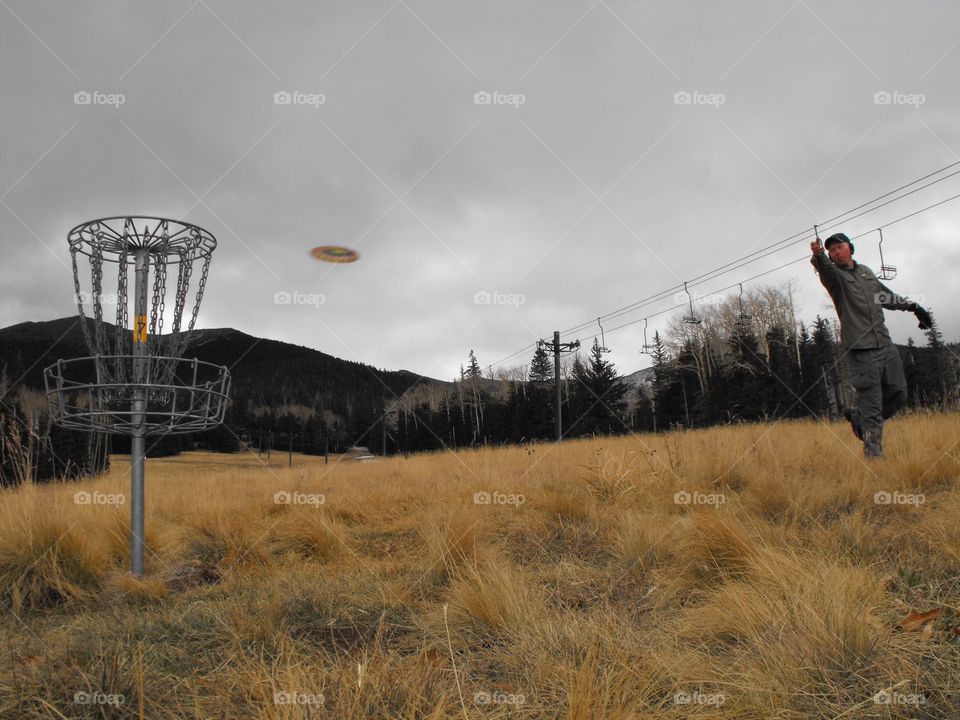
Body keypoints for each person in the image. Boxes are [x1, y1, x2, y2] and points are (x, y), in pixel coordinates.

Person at [810, 231, 932, 458]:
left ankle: (859, 418)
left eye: (840, 247)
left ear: (850, 248)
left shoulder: (866, 273)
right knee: (873, 406)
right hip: (861, 350)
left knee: (899, 393)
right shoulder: (835, 278)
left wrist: (914, 307)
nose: (836, 252)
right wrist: (818, 255)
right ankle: (875, 459)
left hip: (885, 344)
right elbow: (824, 269)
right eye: (831, 250)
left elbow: (885, 297)